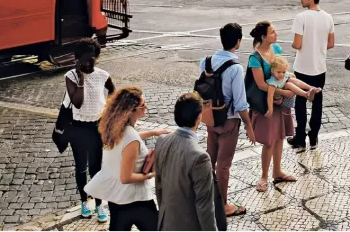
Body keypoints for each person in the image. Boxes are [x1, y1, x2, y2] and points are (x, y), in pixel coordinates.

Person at [84, 87, 169, 231]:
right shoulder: (131, 138)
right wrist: (152, 174)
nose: (146, 107)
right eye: (143, 105)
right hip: (133, 198)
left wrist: (153, 132)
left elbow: (129, 139)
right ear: (131, 111)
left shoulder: (114, 129)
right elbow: (126, 177)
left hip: (115, 195)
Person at [198, 24, 255, 218]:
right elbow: (240, 103)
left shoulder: (205, 62)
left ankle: (205, 199)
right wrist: (248, 125)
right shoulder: (236, 68)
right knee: (223, 165)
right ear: (238, 42)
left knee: (209, 160)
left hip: (210, 118)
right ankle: (222, 206)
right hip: (228, 120)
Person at [66, 38, 115, 223]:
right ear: (77, 60)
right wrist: (80, 78)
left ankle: (100, 204)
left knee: (96, 167)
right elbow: (77, 102)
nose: (89, 64)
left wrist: (108, 110)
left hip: (97, 126)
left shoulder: (103, 75)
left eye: (92, 59)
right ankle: (84, 201)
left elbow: (112, 90)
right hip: (78, 127)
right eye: (84, 60)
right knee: (81, 167)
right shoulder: (70, 76)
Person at [154, 93, 218, 231]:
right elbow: (205, 205)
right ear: (198, 118)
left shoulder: (162, 140)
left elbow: (159, 186)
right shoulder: (200, 157)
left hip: (166, 222)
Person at [247, 21, 297, 192]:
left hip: (279, 104)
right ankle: (264, 176)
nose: (276, 34)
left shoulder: (275, 50)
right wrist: (284, 93)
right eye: (272, 32)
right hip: (266, 103)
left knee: (280, 137)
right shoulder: (255, 58)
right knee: (268, 141)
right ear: (263, 36)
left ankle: (277, 171)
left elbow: (281, 70)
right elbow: (261, 85)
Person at [288, 0, 334, 150]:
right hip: (319, 68)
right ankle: (313, 136)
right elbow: (331, 43)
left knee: (300, 102)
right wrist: (318, 45)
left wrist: (298, 44)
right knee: (317, 102)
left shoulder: (301, 17)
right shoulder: (328, 17)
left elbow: (297, 44)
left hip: (302, 67)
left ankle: (300, 137)